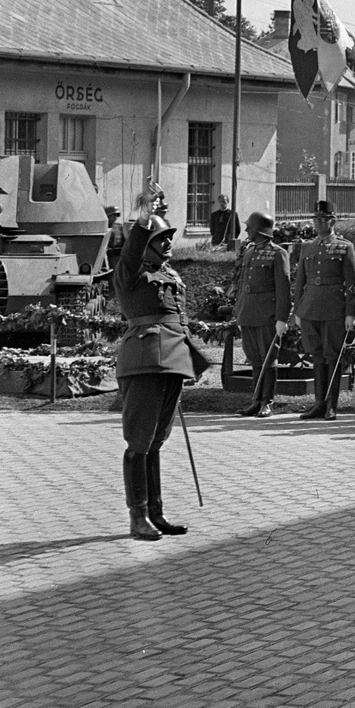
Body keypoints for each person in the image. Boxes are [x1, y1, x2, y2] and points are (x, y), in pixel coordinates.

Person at [113, 187, 206, 540]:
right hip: (144, 360)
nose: (167, 243)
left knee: (157, 441)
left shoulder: (169, 276)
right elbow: (132, 250)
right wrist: (145, 216)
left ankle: (156, 512)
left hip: (173, 360)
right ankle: (137, 517)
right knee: (139, 440)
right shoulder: (131, 275)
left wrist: (188, 358)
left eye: (169, 237)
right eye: (160, 238)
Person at [290, 200, 355, 421]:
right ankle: (318, 403)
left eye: (323, 219)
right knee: (316, 355)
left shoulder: (344, 246)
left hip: (334, 308)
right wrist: (298, 310)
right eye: (316, 219)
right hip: (310, 308)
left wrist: (350, 313)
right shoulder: (308, 247)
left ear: (333, 221)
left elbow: (351, 283)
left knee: (333, 356)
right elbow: (300, 281)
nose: (319, 224)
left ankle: (331, 404)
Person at [233, 211, 290, 418]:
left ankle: (267, 401)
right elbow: (242, 285)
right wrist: (239, 311)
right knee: (254, 359)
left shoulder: (278, 253)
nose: (246, 229)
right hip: (248, 312)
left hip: (267, 314)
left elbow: (283, 288)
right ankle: (256, 401)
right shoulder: (248, 252)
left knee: (268, 359)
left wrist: (282, 318)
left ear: (259, 230)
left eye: (250, 227)